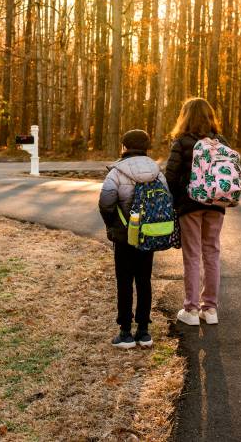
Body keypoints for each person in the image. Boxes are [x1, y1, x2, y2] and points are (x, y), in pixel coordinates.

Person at [99, 129, 167, 349]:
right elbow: (167, 199)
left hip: (124, 235)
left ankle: (126, 332)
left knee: (125, 281)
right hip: (148, 234)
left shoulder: (116, 172)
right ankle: (144, 332)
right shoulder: (157, 171)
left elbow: (106, 202)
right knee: (144, 280)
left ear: (124, 147)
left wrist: (112, 226)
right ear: (147, 147)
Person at [164, 97, 228, 326]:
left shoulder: (182, 142)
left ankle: (191, 310)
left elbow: (170, 176)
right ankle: (210, 309)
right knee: (212, 253)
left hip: (190, 204)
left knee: (192, 255)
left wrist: (173, 199)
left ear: (186, 116)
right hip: (217, 205)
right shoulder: (220, 142)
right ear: (210, 116)